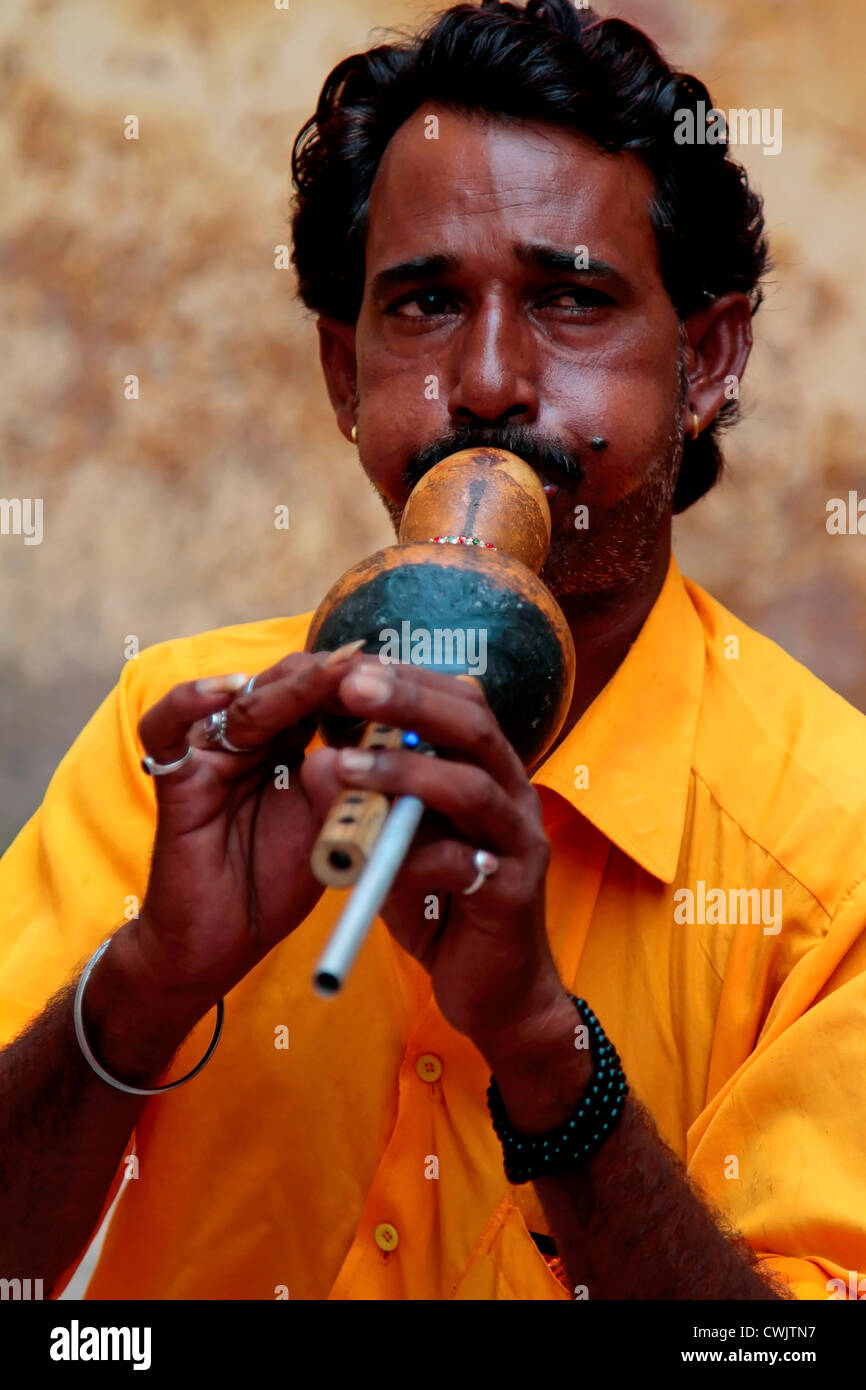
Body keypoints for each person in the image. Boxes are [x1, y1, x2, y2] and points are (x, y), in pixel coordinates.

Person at [1, 0, 865, 1302]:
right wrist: (140, 987)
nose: (486, 382)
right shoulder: (178, 739)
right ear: (344, 374)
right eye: (423, 304)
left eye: (570, 299)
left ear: (704, 364)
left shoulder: (837, 847)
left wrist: (546, 1056)